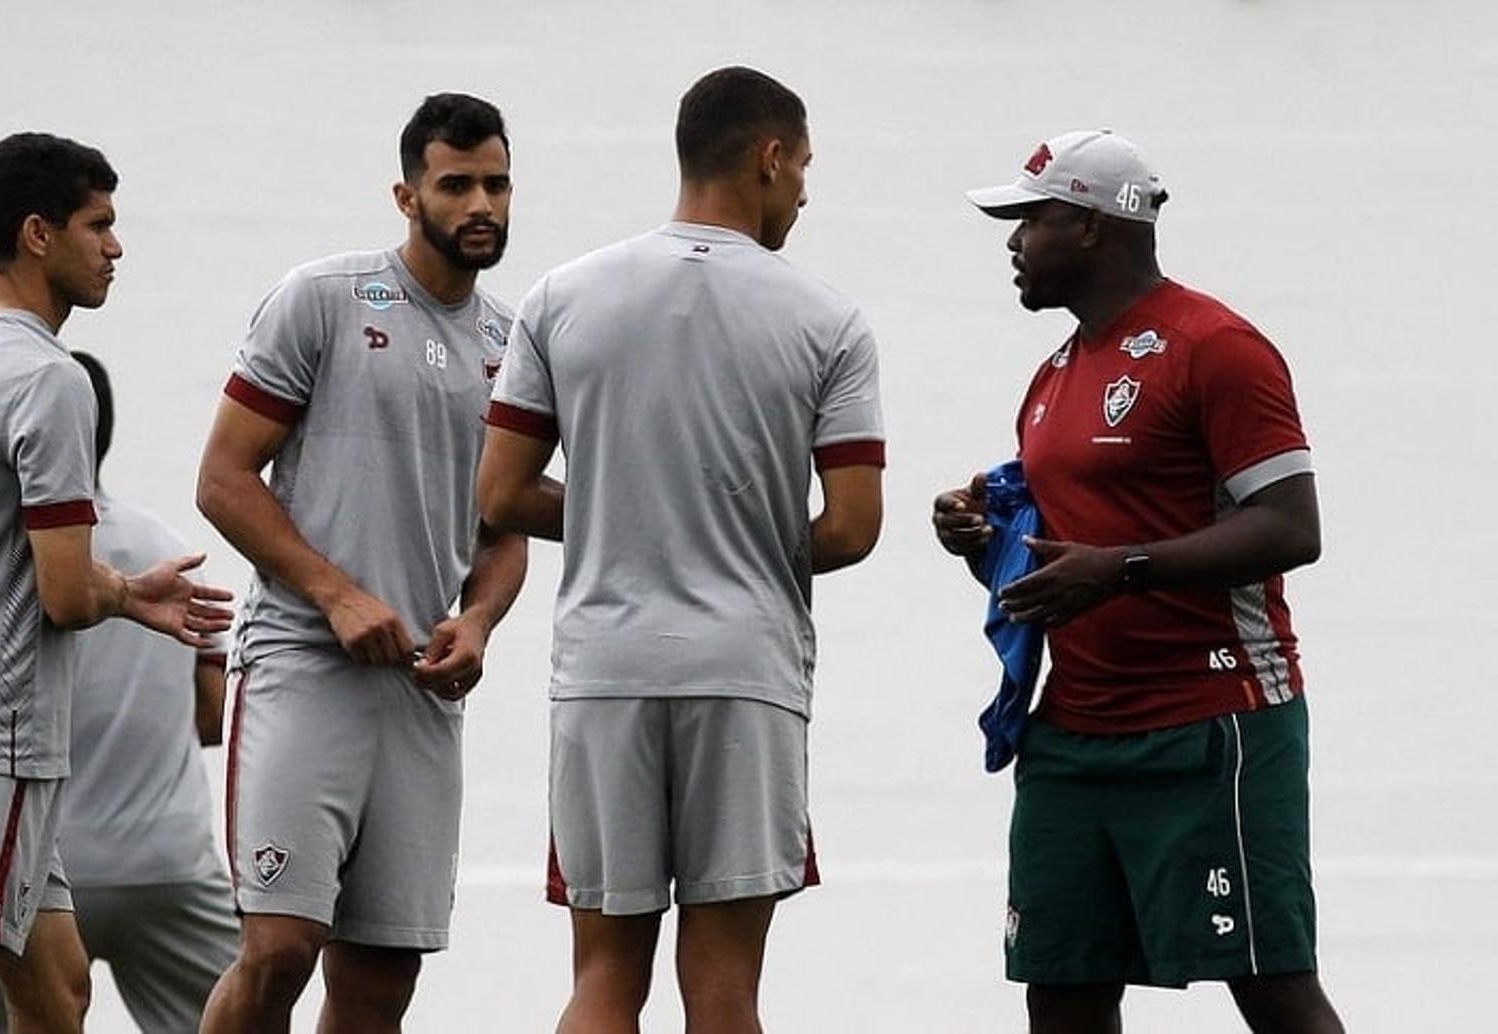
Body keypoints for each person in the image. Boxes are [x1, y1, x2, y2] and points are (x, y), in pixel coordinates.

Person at [476, 66, 887, 1034]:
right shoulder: (828, 320)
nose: (804, 193)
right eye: (803, 169)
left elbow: (498, 490)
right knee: (724, 984)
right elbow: (853, 525)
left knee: (606, 976)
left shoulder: (560, 295)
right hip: (744, 673)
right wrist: (735, 532)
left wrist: (630, 514)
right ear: (769, 157)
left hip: (604, 670)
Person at [933, 129, 1344, 1033]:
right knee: (1064, 993)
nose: (1011, 243)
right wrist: (982, 541)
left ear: (1089, 228)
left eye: (1029, 220)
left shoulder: (1219, 347)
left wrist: (1121, 571)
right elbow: (1067, 557)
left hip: (1212, 722)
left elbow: (1290, 527)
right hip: (1073, 739)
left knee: (1271, 985)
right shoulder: (1053, 376)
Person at [0, 132, 232, 1034]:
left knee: (58, 988)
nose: (116, 246)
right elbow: (67, 596)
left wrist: (109, 586)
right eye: (98, 224)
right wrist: (129, 594)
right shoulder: (49, 378)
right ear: (38, 234)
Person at [193, 93, 528, 1034]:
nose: (482, 205)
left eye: (497, 184)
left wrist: (481, 621)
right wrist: (336, 594)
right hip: (306, 667)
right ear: (406, 193)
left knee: (382, 980)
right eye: (456, 184)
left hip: (422, 692)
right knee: (280, 948)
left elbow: (503, 530)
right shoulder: (324, 300)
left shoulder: (517, 345)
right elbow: (222, 478)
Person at [0, 351, 241, 1033]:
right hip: (170, 862)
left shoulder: (1, 558)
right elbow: (212, 718)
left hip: (42, 866)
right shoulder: (167, 546)